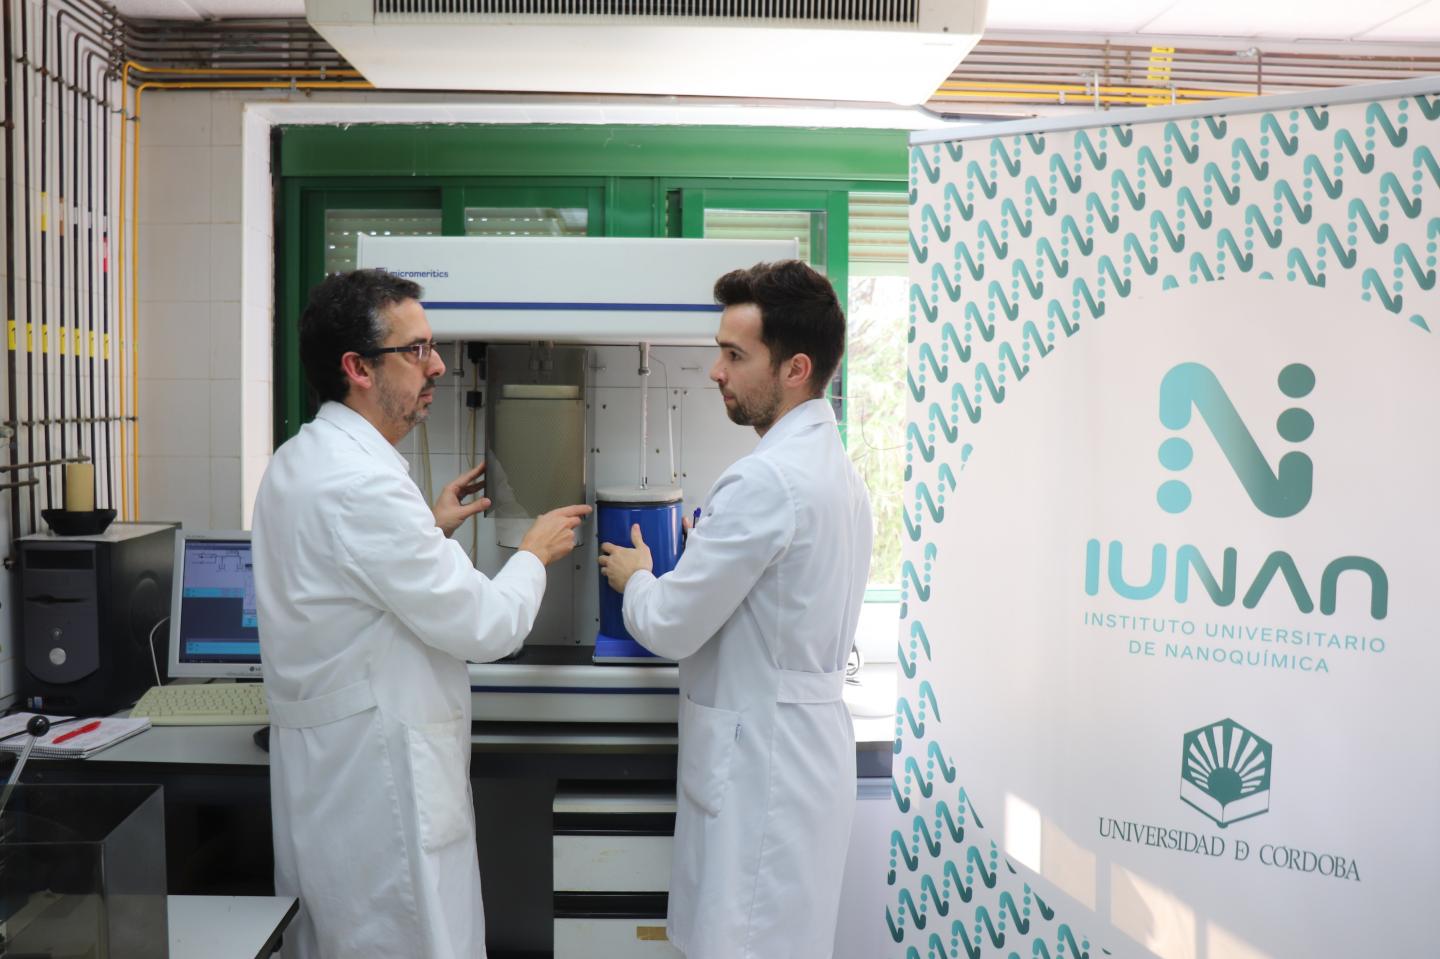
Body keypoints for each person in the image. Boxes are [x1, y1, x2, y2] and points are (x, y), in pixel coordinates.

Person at [252, 269, 589, 959]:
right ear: (357, 368)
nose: (437, 365)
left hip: (334, 787)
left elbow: (346, 586)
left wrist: (425, 528)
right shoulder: (363, 485)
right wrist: (533, 552)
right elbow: (488, 626)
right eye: (416, 350)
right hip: (381, 798)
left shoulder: (300, 461)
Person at [598, 260, 873, 959]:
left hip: (763, 774)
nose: (715, 370)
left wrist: (637, 576)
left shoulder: (765, 479)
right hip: (798, 759)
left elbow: (668, 625)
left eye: (733, 354)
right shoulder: (834, 469)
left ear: (795, 368)